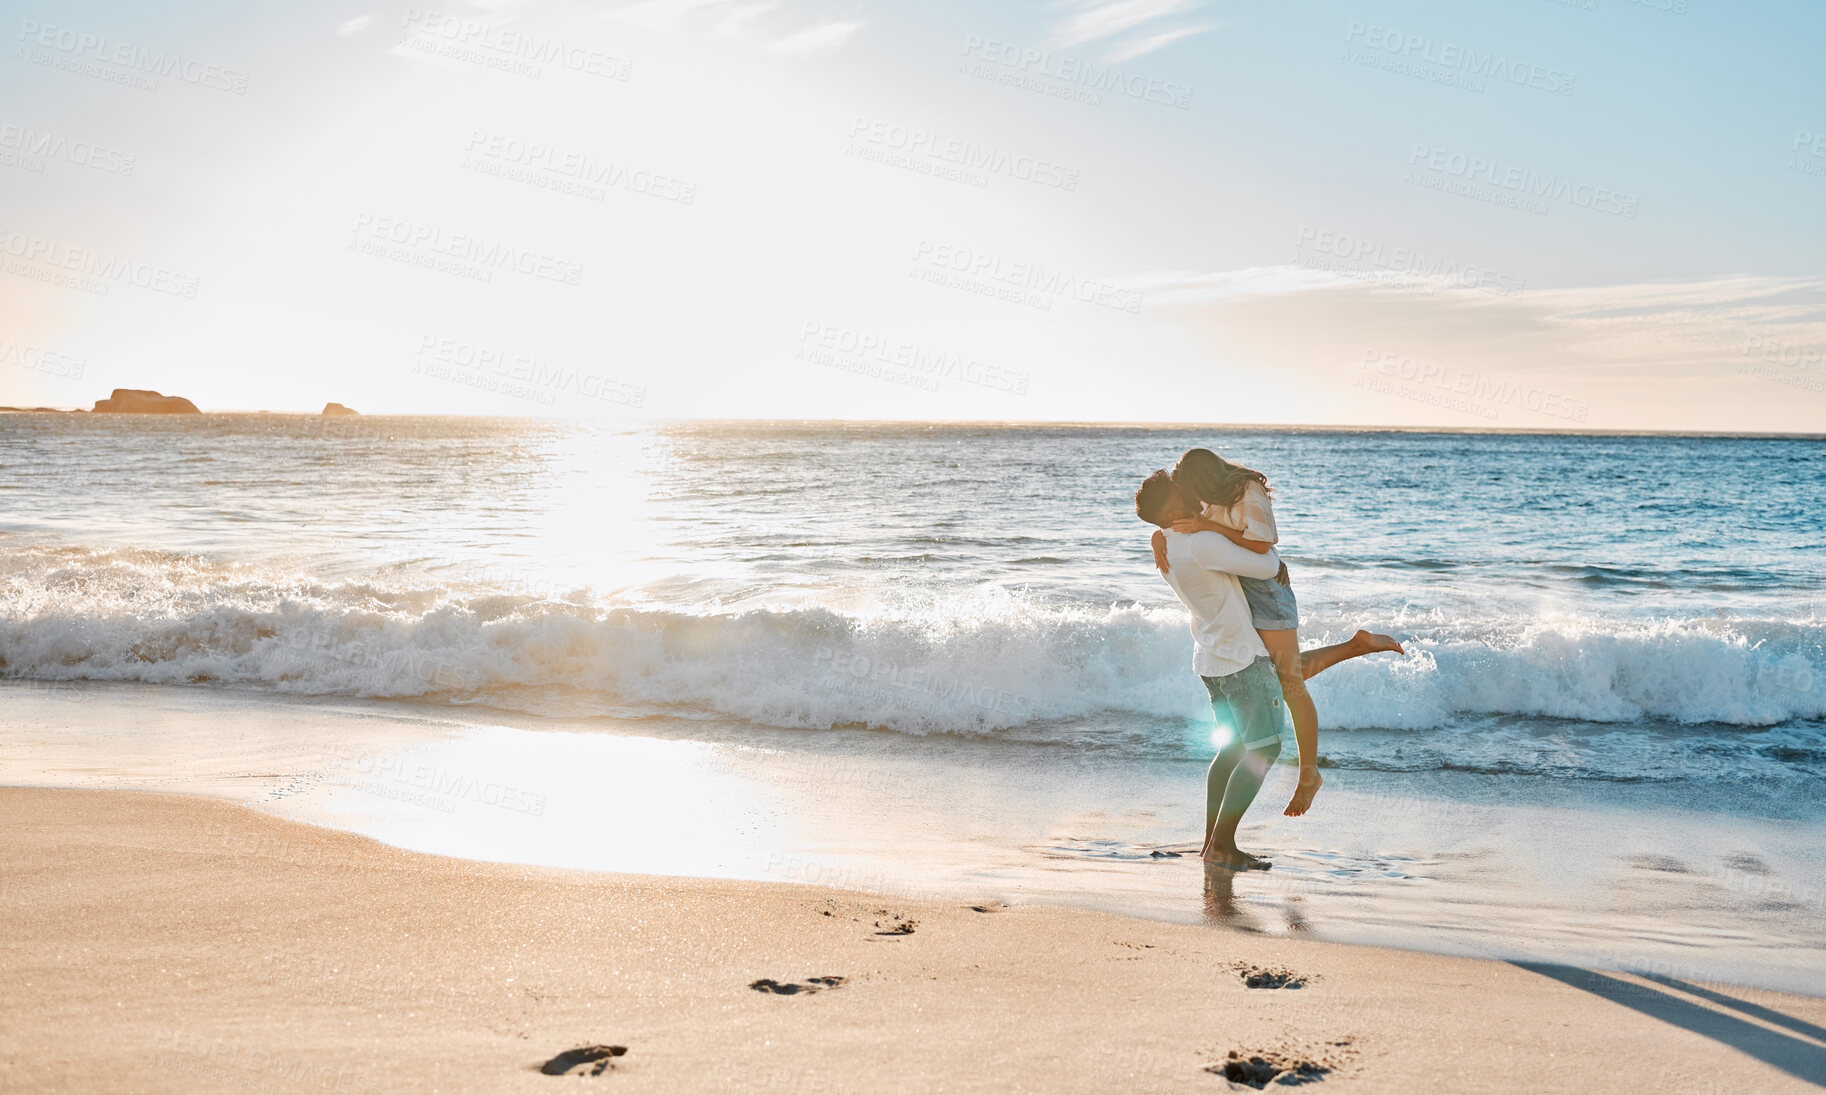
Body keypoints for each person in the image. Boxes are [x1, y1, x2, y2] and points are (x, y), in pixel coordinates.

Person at [1136, 471, 1396, 869]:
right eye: (1181, 491)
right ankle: (1222, 846)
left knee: (1233, 749)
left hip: (1212, 660)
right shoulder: (1200, 542)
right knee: (1265, 748)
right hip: (1240, 660)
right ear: (1172, 509)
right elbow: (1266, 563)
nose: (1192, 493)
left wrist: (1168, 531)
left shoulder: (1167, 546)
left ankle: (1213, 843)